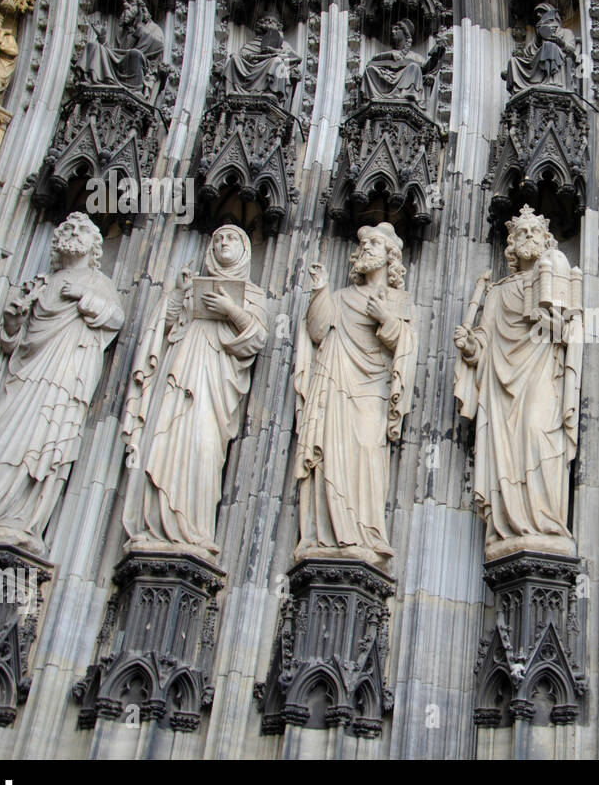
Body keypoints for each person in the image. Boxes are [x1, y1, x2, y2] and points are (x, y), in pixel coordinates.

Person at [0, 214, 124, 555]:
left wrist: (83, 296)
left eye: (81, 230)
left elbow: (115, 317)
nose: (73, 233)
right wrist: (12, 323)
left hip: (60, 378)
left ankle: (19, 521)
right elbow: (9, 345)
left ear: (95, 246)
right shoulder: (39, 284)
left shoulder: (98, 283)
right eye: (67, 229)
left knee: (39, 445)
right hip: (23, 375)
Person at [121, 225, 269, 557]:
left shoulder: (252, 294)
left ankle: (194, 528)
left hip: (216, 383)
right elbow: (164, 328)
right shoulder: (192, 289)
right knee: (166, 438)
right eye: (218, 238)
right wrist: (179, 293)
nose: (223, 242)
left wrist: (230, 310)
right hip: (179, 372)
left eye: (232, 238)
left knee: (203, 445)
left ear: (245, 250)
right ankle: (155, 525)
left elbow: (257, 338)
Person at [454, 206, 582, 560]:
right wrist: (470, 346)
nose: (527, 237)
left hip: (542, 374)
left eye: (534, 232)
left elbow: (571, 331)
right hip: (501, 383)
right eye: (521, 233)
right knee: (508, 451)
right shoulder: (497, 292)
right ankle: (509, 525)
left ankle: (545, 521)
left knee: (537, 433)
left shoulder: (555, 278)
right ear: (511, 245)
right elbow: (485, 338)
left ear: (545, 241)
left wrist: (549, 322)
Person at [293, 223, 416, 568]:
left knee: (366, 451)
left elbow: (407, 346)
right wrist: (320, 290)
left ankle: (365, 533)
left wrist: (387, 319)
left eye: (374, 243)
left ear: (391, 256)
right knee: (332, 455)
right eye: (363, 244)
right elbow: (317, 331)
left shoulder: (400, 300)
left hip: (373, 389)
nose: (366, 248)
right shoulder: (341, 297)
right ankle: (328, 536)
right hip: (336, 384)